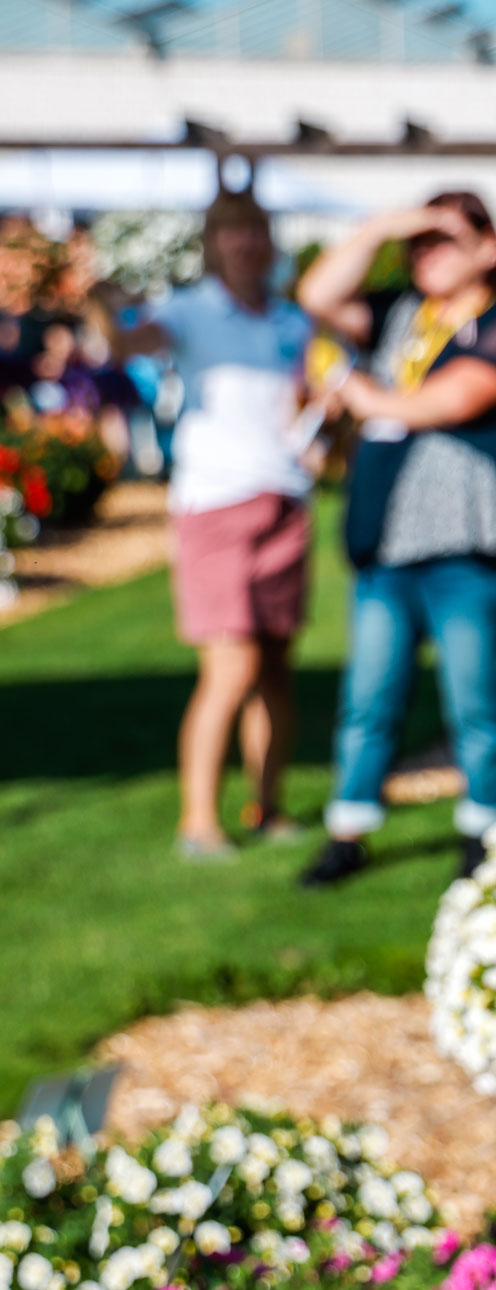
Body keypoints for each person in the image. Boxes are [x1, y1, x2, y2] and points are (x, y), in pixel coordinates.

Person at [294, 192, 496, 887]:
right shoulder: (398, 316)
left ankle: (483, 827)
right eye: (421, 244)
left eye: (446, 240)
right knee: (368, 698)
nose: (426, 255)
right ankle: (349, 827)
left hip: (468, 544)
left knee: (473, 698)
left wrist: (360, 391)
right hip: (387, 542)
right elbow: (316, 294)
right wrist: (380, 225)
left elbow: (451, 400)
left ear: (488, 250)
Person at [87, 191, 313, 859]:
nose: (248, 243)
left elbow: (304, 396)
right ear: (214, 243)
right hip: (216, 505)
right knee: (231, 665)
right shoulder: (187, 311)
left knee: (275, 666)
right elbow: (127, 342)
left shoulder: (290, 321)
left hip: (287, 498)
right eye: (234, 231)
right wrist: (101, 301)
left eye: (258, 231)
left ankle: (266, 808)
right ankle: (199, 822)